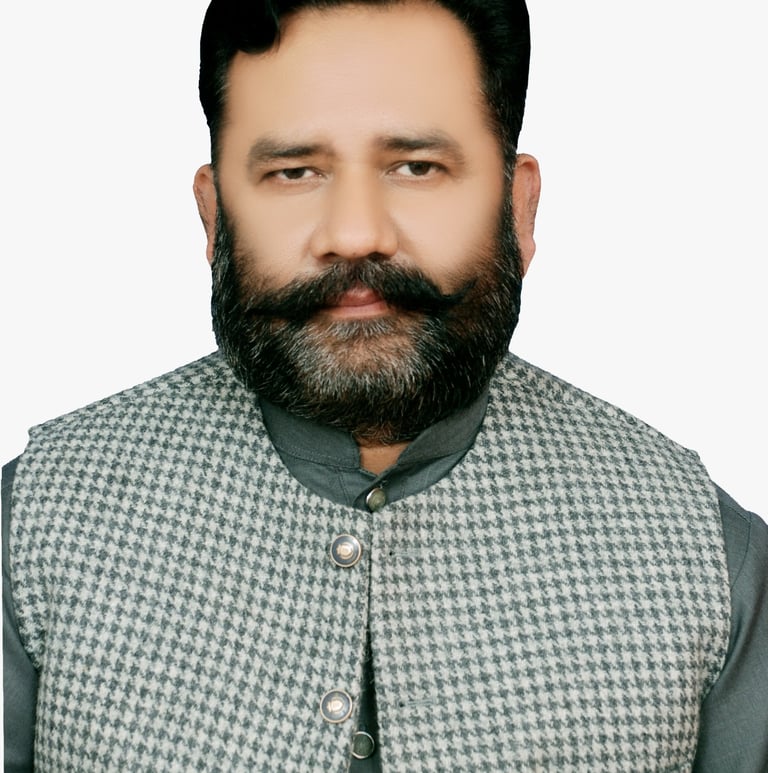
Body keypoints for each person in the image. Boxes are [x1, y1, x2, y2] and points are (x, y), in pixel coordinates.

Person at [3, 0, 766, 770]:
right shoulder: (32, 530)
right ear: (213, 216)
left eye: (416, 167)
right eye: (294, 171)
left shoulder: (710, 560)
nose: (356, 232)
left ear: (519, 206)